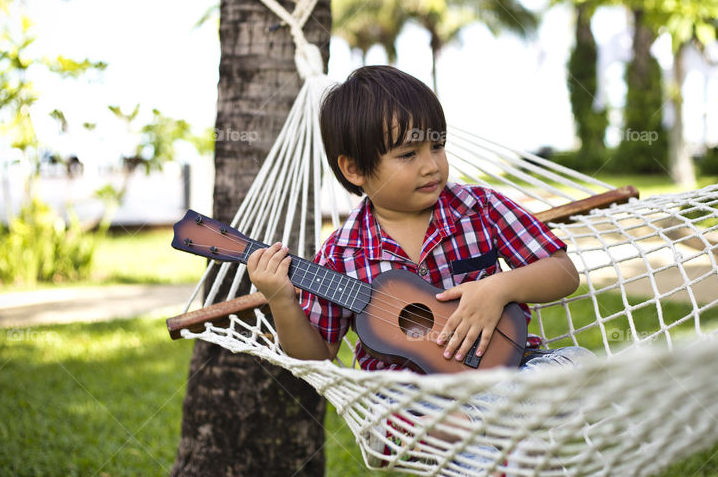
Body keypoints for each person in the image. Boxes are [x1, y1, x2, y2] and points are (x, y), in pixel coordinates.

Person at [245, 65, 587, 373]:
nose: (431, 166)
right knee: (435, 425)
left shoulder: (480, 208)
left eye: (437, 146)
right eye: (408, 154)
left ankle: (500, 416)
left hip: (508, 368)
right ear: (354, 169)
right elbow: (317, 357)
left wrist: (497, 288)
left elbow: (563, 272)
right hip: (414, 404)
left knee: (577, 364)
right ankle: (487, 423)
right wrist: (281, 300)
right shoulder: (341, 256)